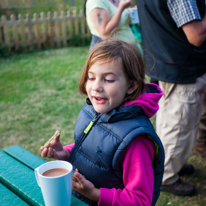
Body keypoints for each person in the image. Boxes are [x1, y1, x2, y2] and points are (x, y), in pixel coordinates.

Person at [40, 39, 165, 206]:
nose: (96, 87)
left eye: (108, 79)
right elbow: (93, 151)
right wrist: (65, 152)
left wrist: (95, 194)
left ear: (131, 86)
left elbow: (140, 201)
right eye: (91, 77)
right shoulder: (95, 110)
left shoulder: (136, 140)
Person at [136, 0, 206, 196]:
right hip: (179, 65)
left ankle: (172, 164)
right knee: (179, 127)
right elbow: (197, 35)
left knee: (169, 122)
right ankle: (167, 176)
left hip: (164, 62)